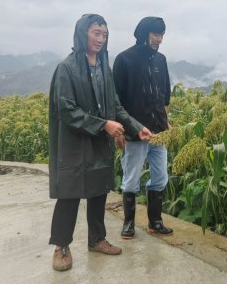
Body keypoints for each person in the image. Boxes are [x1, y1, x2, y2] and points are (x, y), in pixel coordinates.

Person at [49, 14, 152, 272]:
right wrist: (103, 125)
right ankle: (61, 246)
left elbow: (115, 106)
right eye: (96, 33)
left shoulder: (104, 68)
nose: (101, 39)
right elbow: (66, 110)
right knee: (69, 194)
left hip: (98, 144)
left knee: (98, 191)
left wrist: (136, 127)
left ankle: (97, 239)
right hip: (74, 144)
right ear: (82, 33)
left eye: (104, 35)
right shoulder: (67, 68)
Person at [113, 16, 173, 239]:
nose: (160, 39)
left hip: (159, 132)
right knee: (131, 179)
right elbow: (116, 101)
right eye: (156, 34)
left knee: (161, 177)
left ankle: (155, 222)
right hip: (134, 132)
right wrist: (119, 132)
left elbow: (164, 96)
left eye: (162, 35)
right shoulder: (124, 60)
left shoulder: (161, 60)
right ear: (143, 33)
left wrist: (166, 121)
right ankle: (128, 223)